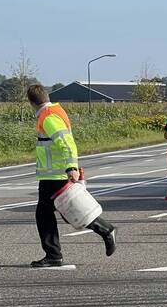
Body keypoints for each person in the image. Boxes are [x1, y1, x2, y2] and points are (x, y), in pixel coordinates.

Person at [27, 84, 116, 267]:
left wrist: (71, 167)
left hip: (56, 175)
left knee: (46, 214)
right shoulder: (52, 112)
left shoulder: (49, 117)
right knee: (66, 211)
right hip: (53, 175)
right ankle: (104, 230)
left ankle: (55, 254)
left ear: (31, 102)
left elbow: (67, 143)